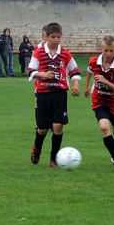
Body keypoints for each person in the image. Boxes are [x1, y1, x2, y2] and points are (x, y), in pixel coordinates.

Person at [28, 22, 81, 168]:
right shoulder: (39, 52)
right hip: (43, 94)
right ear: (46, 37)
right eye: (53, 37)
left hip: (60, 93)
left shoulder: (65, 53)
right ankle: (37, 147)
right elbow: (30, 71)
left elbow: (74, 71)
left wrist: (76, 85)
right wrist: (44, 75)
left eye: (58, 37)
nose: (56, 40)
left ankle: (54, 158)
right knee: (43, 129)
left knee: (58, 125)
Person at [84, 35, 114, 172]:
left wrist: (105, 81)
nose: (108, 54)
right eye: (106, 50)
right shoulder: (94, 61)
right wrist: (87, 86)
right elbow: (90, 70)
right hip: (99, 99)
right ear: (101, 49)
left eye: (111, 51)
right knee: (104, 127)